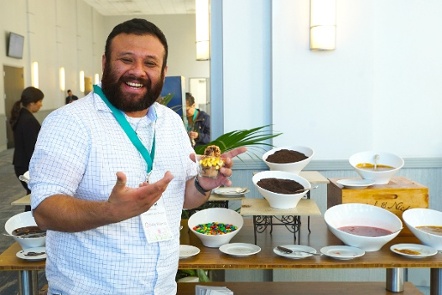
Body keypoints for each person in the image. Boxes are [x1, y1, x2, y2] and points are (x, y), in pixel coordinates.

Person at [29, 18, 246, 295]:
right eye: (126, 59)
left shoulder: (170, 122)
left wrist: (204, 183)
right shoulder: (70, 122)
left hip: (162, 288)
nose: (137, 72)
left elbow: (183, 198)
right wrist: (110, 211)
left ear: (164, 71)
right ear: (105, 63)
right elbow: (45, 211)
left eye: (150, 63)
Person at [9, 86, 44, 212]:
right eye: (39, 101)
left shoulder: (22, 116)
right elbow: (31, 147)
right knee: (34, 195)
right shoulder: (27, 120)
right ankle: (31, 221)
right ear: (31, 103)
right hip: (25, 165)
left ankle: (30, 221)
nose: (41, 104)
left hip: (20, 163)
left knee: (32, 195)